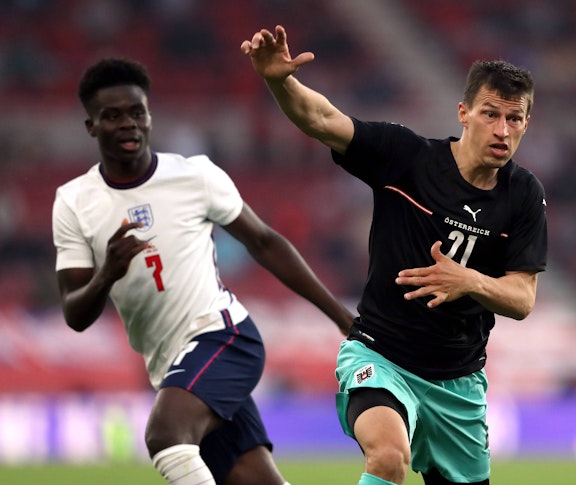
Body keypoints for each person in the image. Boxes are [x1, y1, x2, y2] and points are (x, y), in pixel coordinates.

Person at [241, 25, 548, 485]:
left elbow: (523, 298)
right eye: (490, 114)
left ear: (526, 122)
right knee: (388, 459)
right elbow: (323, 120)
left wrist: (468, 281)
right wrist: (279, 81)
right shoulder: (406, 157)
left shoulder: (523, 195)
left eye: (515, 118)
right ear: (464, 113)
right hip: (381, 357)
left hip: (457, 382)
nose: (502, 130)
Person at [52, 58, 355, 485]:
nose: (128, 124)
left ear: (149, 117)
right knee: (255, 479)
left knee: (166, 437)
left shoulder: (194, 175)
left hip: (223, 336)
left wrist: (341, 316)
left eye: (137, 113)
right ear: (91, 126)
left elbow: (265, 242)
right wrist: (107, 274)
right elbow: (74, 313)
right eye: (113, 116)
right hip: (171, 369)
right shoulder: (73, 202)